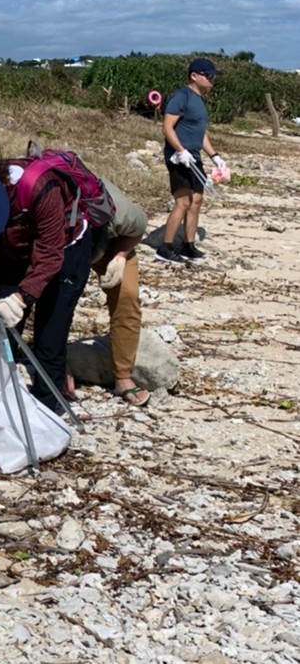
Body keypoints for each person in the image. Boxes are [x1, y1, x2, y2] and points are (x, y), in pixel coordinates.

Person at [0, 145, 93, 450]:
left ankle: (45, 421)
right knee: (1, 337)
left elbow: (50, 255)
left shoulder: (38, 187)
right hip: (16, 251)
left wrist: (21, 299)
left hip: (67, 249)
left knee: (48, 340)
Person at [156, 57, 225, 264]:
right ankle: (165, 248)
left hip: (194, 157)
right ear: (194, 76)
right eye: (208, 75)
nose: (212, 79)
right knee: (183, 201)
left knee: (196, 201)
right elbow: (167, 127)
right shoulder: (181, 97)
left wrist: (215, 156)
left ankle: (188, 246)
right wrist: (180, 150)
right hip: (179, 158)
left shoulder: (200, 101)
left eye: (213, 76)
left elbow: (200, 133)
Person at [89, 179, 149, 406]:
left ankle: (123, 376)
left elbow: (139, 228)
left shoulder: (122, 214)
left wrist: (120, 256)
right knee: (60, 299)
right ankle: (54, 367)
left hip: (112, 245)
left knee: (127, 297)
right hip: (63, 240)